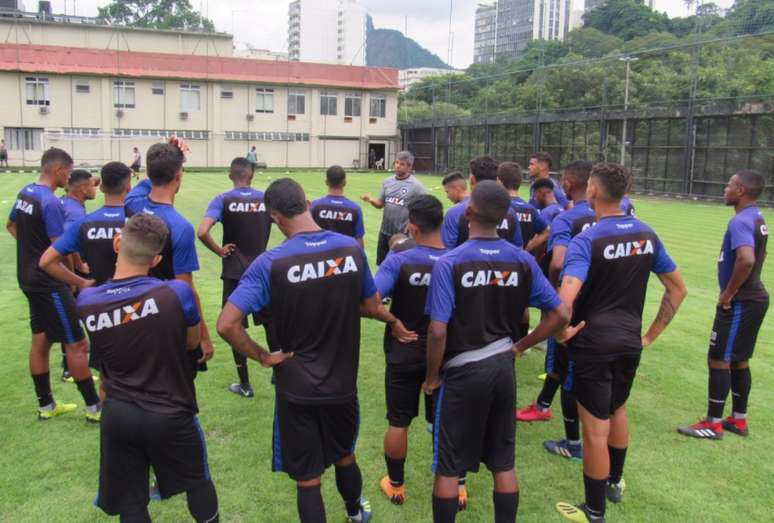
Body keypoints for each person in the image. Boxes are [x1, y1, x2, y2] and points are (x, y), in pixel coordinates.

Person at [217, 178, 416, 523]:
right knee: (344, 455)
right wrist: (391, 320)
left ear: (275, 218)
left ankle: (353, 510)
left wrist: (264, 356)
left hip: (297, 386)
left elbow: (226, 324)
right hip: (342, 384)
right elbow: (370, 304)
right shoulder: (350, 250)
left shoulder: (271, 263)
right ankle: (355, 513)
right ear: (307, 203)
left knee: (308, 478)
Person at [424, 180, 568, 523]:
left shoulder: (449, 262)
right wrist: (519, 347)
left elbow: (437, 330)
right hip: (503, 368)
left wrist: (431, 377)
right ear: (505, 217)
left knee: (448, 465)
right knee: (503, 462)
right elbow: (561, 314)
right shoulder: (521, 260)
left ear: (468, 212)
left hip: (461, 371)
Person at [554, 163, 687, 523]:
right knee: (618, 408)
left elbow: (566, 300)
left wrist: (559, 332)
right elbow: (678, 287)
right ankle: (614, 483)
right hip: (629, 341)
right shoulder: (647, 233)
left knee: (594, 427)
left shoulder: (587, 239)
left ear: (593, 192)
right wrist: (648, 336)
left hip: (594, 343)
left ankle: (594, 510)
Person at [77, 214, 219, 523]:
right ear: (156, 259)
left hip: (118, 413)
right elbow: (191, 341)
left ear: (118, 244)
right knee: (197, 481)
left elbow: (103, 350)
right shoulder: (176, 293)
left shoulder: (86, 300)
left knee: (131, 501)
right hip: (170, 409)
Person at [6, 148, 101, 421]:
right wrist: (78, 280)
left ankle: (46, 406)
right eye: (69, 172)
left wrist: (31, 250)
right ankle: (95, 408)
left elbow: (11, 226)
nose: (69, 177)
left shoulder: (26, 192)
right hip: (49, 283)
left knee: (41, 339)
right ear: (59, 171)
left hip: (27, 277)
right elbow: (59, 249)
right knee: (77, 344)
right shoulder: (51, 203)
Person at [678, 171, 768, 440]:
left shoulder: (740, 221)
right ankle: (738, 420)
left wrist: (728, 294)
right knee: (739, 360)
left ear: (740, 190)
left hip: (740, 302)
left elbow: (747, 259)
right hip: (755, 299)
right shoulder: (757, 216)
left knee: (718, 359)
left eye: (729, 185)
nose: (724, 188)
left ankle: (712, 423)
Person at [516, 160, 597, 462]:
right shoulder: (613, 216)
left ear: (567, 181)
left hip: (572, 303)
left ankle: (573, 442)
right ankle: (543, 403)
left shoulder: (566, 218)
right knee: (571, 368)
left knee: (566, 367)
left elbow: (558, 263)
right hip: (602, 304)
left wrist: (554, 301)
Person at [374, 195, 451, 506]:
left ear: (411, 226)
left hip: (404, 350)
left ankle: (396, 485)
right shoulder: (456, 259)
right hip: (446, 355)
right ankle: (455, 486)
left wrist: (393, 321)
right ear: (442, 222)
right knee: (446, 422)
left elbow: (370, 301)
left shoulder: (400, 259)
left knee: (398, 421)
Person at [125, 138, 214, 368]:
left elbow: (148, 180)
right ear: (178, 176)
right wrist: (203, 335)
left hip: (134, 310)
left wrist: (167, 152)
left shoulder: (133, 203)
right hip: (166, 317)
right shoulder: (179, 227)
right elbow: (185, 288)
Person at [197, 157, 274, 398]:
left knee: (234, 326)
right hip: (262, 271)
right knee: (272, 323)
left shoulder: (223, 199)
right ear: (251, 176)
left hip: (235, 273)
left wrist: (220, 251)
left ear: (231, 175)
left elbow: (202, 231)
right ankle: (280, 370)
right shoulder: (266, 199)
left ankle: (245, 384)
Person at [42, 162, 131, 287]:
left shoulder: (84, 223)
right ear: (129, 187)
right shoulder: (140, 222)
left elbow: (46, 261)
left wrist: (82, 283)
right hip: (134, 298)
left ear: (102, 188)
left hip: (98, 299)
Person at [57, 168, 99, 381]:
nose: (96, 189)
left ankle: (68, 366)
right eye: (92, 185)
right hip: (70, 270)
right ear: (83, 188)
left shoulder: (65, 201)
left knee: (69, 317)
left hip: (57, 271)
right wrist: (79, 267)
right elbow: (68, 243)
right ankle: (70, 368)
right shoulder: (75, 212)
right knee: (76, 317)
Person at [442, 156, 523, 249]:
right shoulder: (509, 212)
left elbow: (447, 250)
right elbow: (518, 248)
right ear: (497, 180)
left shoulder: (454, 213)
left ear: (472, 179)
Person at [361, 151, 426, 265]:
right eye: (396, 163)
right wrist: (370, 199)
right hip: (385, 232)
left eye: (402, 164)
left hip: (402, 235)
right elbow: (380, 204)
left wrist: (414, 223)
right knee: (382, 265)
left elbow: (427, 206)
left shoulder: (416, 186)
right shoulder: (387, 182)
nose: (397, 166)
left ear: (409, 167)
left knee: (401, 266)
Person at [497, 161, 549, 254]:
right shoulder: (530, 209)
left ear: (499, 182)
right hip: (522, 263)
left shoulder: (500, 207)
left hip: (501, 262)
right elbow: (547, 231)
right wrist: (526, 249)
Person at [311, 165, 366, 248]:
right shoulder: (355, 209)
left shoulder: (315, 206)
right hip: (345, 257)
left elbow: (307, 234)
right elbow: (359, 239)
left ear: (326, 182)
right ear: (345, 182)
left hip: (320, 256)